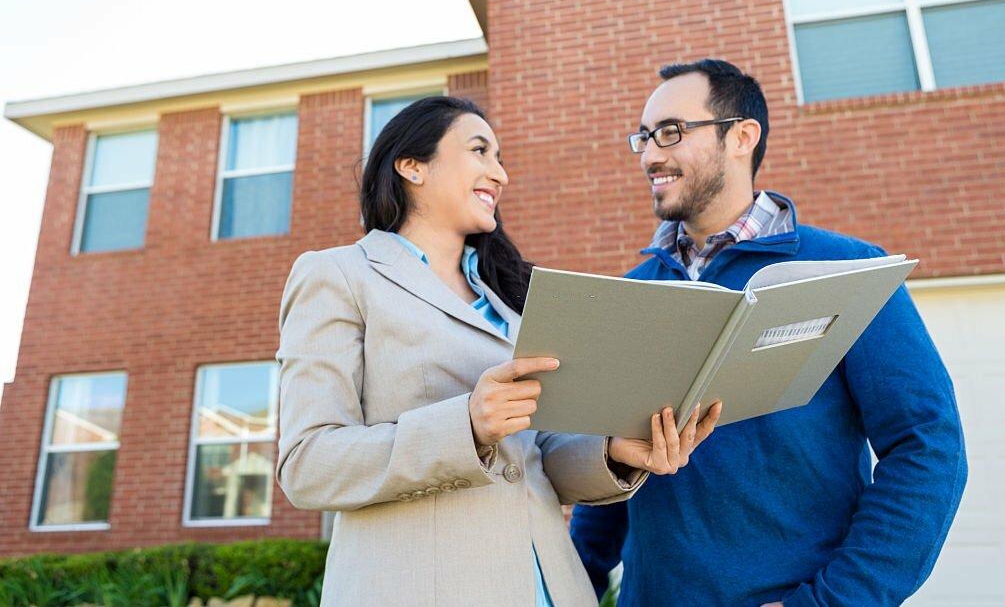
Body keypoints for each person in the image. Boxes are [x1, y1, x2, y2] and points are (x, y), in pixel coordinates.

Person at [275, 96, 722, 606]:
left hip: (548, 587)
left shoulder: (509, 300)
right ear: (411, 166)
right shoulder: (339, 275)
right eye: (480, 150)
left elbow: (531, 458)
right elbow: (307, 465)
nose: (500, 174)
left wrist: (617, 452)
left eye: (501, 158)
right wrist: (465, 426)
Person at [570, 60, 967, 607]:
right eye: (642, 137)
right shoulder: (632, 292)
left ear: (742, 136)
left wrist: (834, 601)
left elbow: (927, 445)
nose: (650, 154)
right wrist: (575, 589)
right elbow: (609, 483)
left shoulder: (845, 268)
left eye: (670, 132)